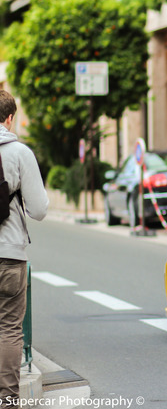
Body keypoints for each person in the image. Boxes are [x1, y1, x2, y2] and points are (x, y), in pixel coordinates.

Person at [0, 90, 48, 407]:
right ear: (10, 117)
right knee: (8, 329)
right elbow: (39, 209)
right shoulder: (20, 153)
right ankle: (7, 398)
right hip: (10, 254)